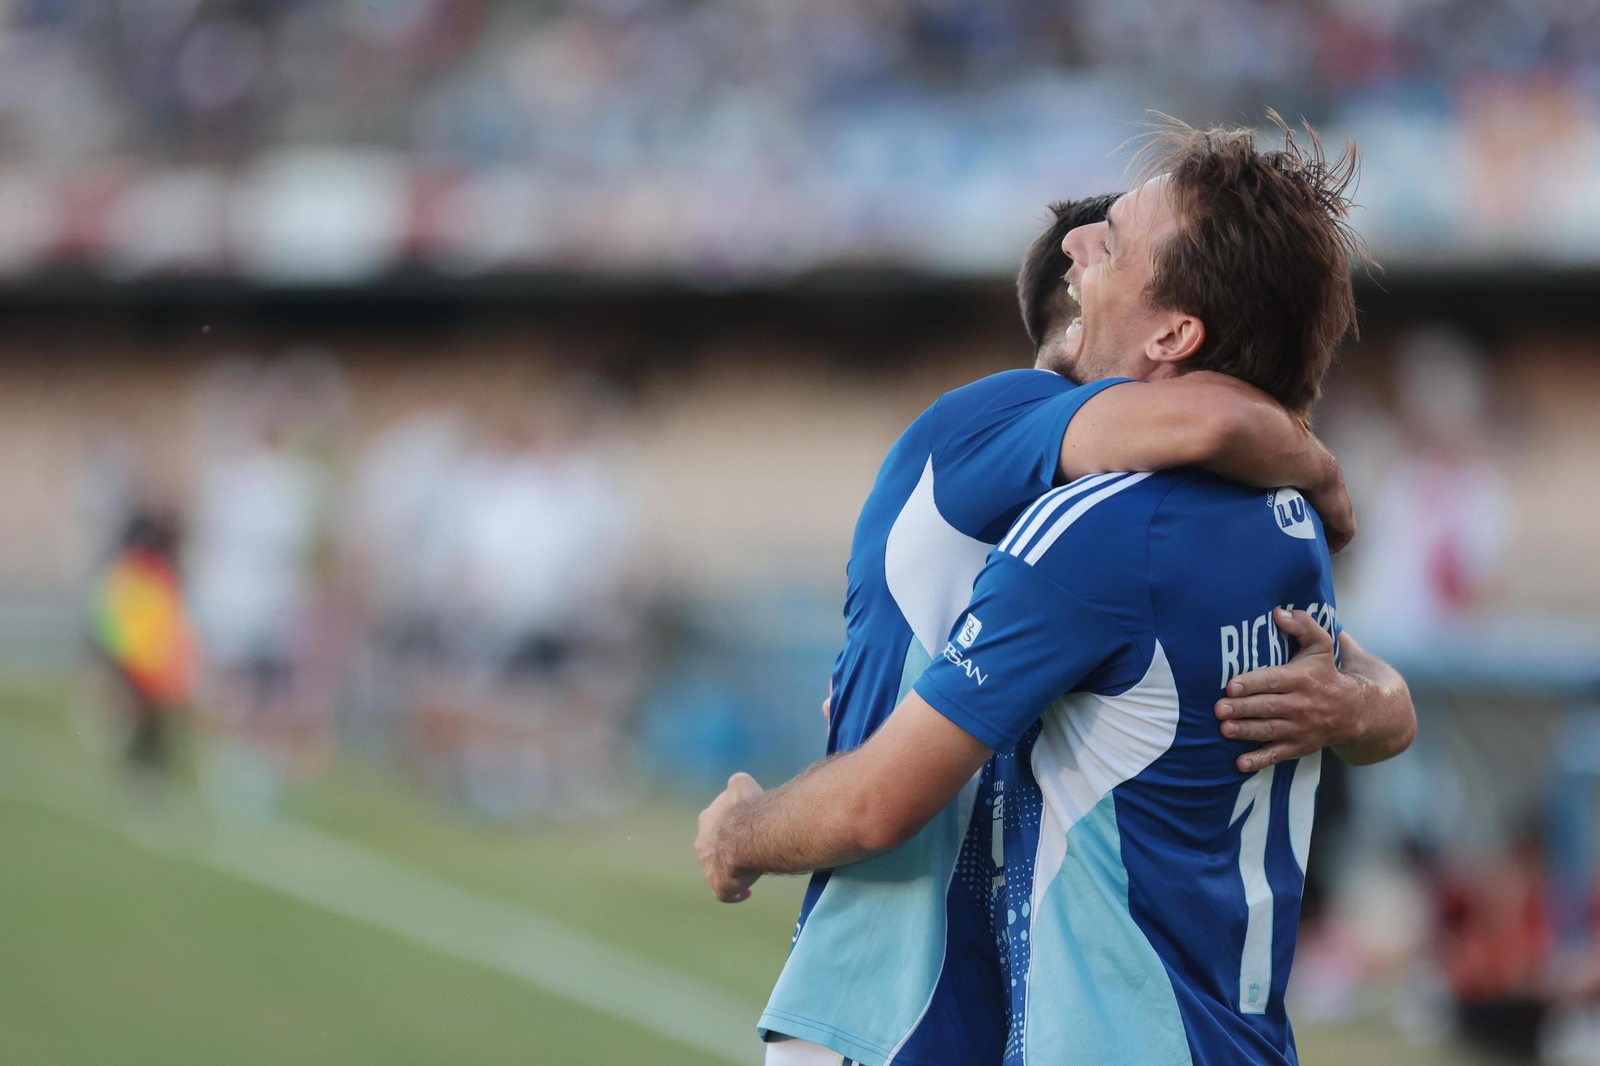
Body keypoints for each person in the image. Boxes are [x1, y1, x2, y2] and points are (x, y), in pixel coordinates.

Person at [697, 115, 1416, 1066]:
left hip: (897, 1004)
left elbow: (878, 805)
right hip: (1134, 1020)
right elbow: (1374, 695)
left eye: (1108, 246)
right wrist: (1373, 699)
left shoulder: (1061, 482)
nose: (1081, 247)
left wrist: (738, 833)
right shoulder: (1280, 528)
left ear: (1157, 337)